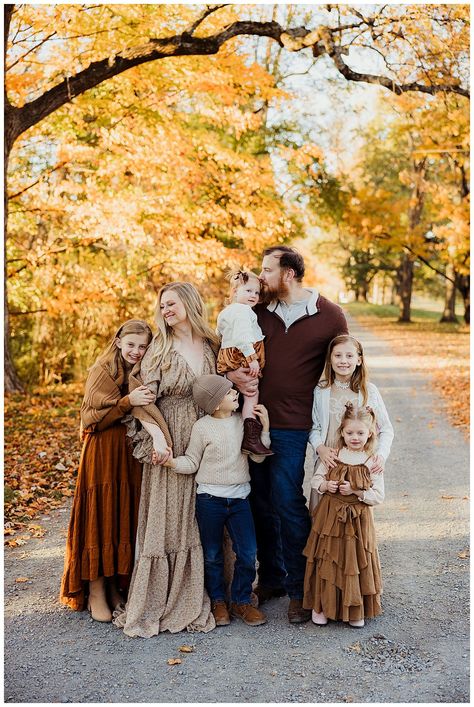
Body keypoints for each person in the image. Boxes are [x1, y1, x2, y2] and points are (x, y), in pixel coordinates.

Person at [227, 245, 348, 624]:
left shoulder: (329, 316)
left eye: (267, 270)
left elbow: (343, 366)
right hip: (252, 420)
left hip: (295, 425)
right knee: (259, 500)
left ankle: (301, 588)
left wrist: (347, 423)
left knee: (286, 500)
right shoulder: (256, 311)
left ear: (289, 274)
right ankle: (274, 578)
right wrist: (234, 377)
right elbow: (231, 351)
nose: (260, 277)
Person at [113, 282, 220, 637]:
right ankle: (161, 600)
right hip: (170, 435)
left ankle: (211, 593)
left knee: (200, 512)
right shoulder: (159, 346)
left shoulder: (211, 343)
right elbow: (141, 396)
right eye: (162, 305)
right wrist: (159, 437)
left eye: (171, 303)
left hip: (207, 435)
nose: (165, 310)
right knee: (170, 515)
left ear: (189, 302)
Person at [60, 319, 155, 622]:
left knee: (120, 514)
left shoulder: (139, 371)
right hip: (102, 452)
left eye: (142, 346)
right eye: (131, 345)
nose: (136, 351)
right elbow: (92, 419)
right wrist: (127, 402)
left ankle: (115, 585)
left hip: (126, 453)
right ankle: (96, 589)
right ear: (118, 342)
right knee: (101, 514)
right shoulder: (102, 369)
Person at [162, 374, 270, 627]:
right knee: (212, 554)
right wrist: (171, 462)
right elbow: (192, 461)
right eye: (229, 392)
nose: (235, 394)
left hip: (240, 500)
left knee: (247, 552)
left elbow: (257, 458)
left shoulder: (243, 422)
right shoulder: (201, 427)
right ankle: (218, 601)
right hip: (209, 500)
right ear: (215, 402)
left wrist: (264, 429)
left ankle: (241, 600)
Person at [303, 403, 384, 628]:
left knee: (354, 563)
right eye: (350, 433)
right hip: (330, 519)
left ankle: (354, 608)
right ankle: (322, 607)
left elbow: (378, 495)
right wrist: (326, 485)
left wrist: (357, 492)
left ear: (370, 433)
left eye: (360, 433)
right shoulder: (334, 455)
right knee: (328, 559)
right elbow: (316, 480)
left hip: (358, 522)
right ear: (342, 432)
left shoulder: (372, 461)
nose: (355, 438)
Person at [308, 333, 394, 512]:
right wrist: (320, 448)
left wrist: (381, 456)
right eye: (337, 355)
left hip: (359, 460)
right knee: (322, 512)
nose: (343, 361)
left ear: (359, 360)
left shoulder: (368, 391)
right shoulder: (321, 390)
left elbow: (386, 428)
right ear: (330, 359)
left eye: (349, 356)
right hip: (330, 459)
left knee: (354, 511)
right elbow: (314, 426)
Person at [216, 270, 273, 457]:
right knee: (251, 392)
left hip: (231, 354)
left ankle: (246, 435)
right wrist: (252, 358)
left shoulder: (228, 311)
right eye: (248, 291)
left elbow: (220, 334)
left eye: (256, 293)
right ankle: (251, 438)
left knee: (241, 393)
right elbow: (241, 338)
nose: (253, 296)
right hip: (241, 354)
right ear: (234, 292)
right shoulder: (241, 311)